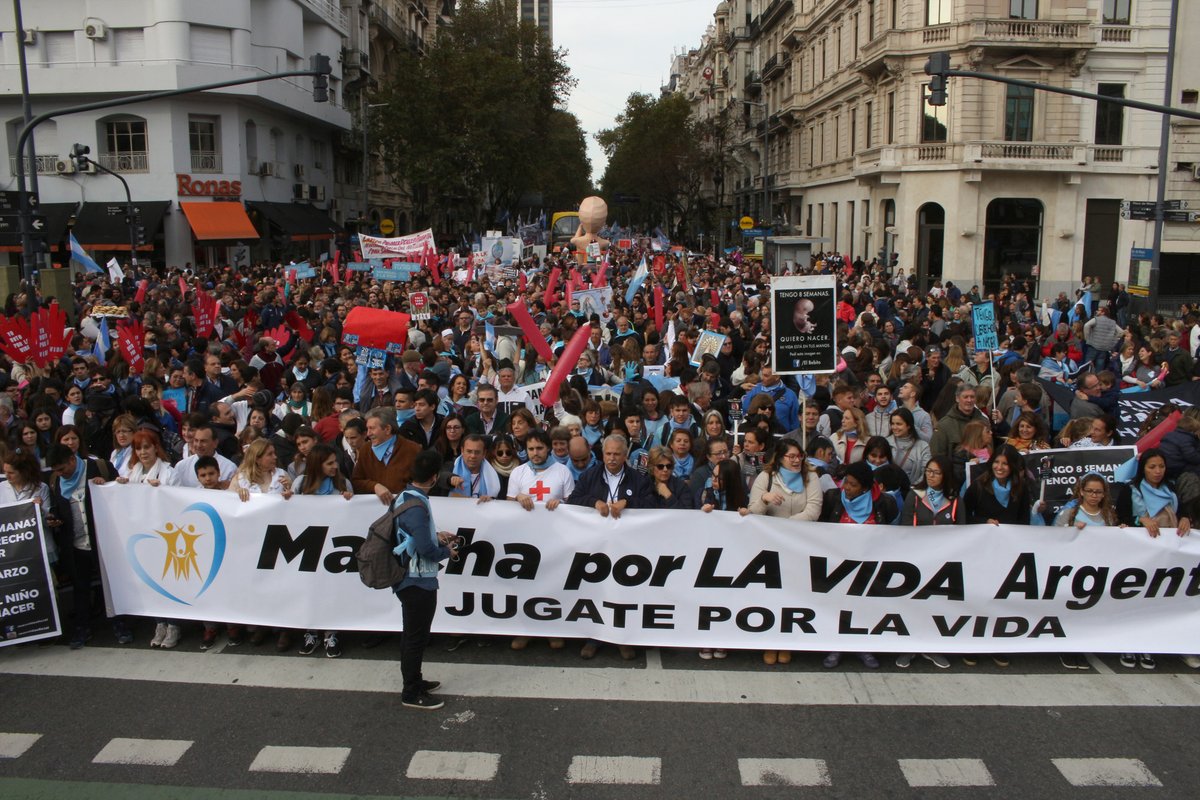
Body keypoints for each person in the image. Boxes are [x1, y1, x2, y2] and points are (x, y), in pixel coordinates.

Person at [568, 434, 654, 660]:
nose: (612, 458)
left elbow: (651, 505)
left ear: (625, 455)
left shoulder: (639, 479)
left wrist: (629, 503)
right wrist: (594, 502)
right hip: (597, 545)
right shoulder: (590, 476)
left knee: (623, 592)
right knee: (596, 590)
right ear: (602, 454)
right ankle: (593, 638)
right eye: (608, 453)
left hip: (628, 546)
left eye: (617, 454)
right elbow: (574, 499)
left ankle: (620, 639)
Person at [390, 449, 457, 710]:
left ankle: (415, 679)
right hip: (417, 579)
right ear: (434, 477)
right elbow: (424, 548)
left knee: (413, 634)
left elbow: (415, 535)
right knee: (416, 636)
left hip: (410, 577)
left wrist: (436, 535)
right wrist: (446, 551)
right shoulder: (418, 505)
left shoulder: (406, 496)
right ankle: (411, 691)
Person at [47, 443, 131, 649]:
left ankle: (119, 624)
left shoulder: (99, 468)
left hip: (104, 541)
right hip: (76, 544)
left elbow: (121, 492)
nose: (60, 474)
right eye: (56, 470)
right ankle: (82, 627)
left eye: (62, 469)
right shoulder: (56, 481)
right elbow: (58, 508)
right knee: (81, 588)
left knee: (110, 585)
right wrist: (54, 518)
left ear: (72, 460)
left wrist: (107, 485)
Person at [818, 460, 895, 670]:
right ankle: (836, 645)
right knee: (839, 607)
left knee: (865, 607)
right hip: (838, 564)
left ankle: (863, 645)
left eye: (852, 484)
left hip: (869, 566)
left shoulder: (885, 503)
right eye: (845, 482)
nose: (846, 488)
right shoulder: (833, 498)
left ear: (865, 487)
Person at [1053, 473, 1124, 670]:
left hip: (1098, 570)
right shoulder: (1070, 514)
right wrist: (1071, 529)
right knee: (1071, 610)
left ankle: (1081, 647)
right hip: (1073, 570)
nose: (1094, 495)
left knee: (1088, 612)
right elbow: (1053, 538)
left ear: (1104, 494)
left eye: (1098, 492)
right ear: (1081, 492)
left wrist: (1123, 531)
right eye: (1090, 491)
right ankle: (1066, 648)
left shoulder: (1109, 516)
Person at [353, 407, 422, 506]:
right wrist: (375, 486)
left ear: (387, 429)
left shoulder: (413, 450)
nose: (368, 434)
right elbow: (356, 481)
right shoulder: (365, 450)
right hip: (373, 511)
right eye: (367, 429)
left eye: (372, 428)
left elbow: (421, 483)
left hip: (404, 509)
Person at [886, 408, 930, 486]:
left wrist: (912, 490)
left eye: (899, 424)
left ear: (909, 425)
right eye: (892, 423)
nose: (894, 427)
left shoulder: (923, 447)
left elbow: (926, 472)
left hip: (911, 491)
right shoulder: (885, 442)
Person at [647, 445, 697, 509]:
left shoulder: (681, 487)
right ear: (651, 467)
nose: (665, 470)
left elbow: (686, 513)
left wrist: (669, 496)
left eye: (668, 466)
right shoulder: (643, 485)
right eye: (660, 466)